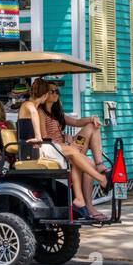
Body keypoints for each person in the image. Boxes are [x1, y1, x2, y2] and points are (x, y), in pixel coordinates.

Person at [28, 79, 110, 219]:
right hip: (56, 150)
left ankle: (100, 164)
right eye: (52, 91)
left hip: (68, 148)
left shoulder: (56, 112)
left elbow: (77, 122)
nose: (56, 94)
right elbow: (45, 137)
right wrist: (68, 143)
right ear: (45, 94)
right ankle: (90, 207)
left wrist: (92, 118)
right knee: (86, 163)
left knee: (93, 126)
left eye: (57, 91)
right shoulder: (41, 112)